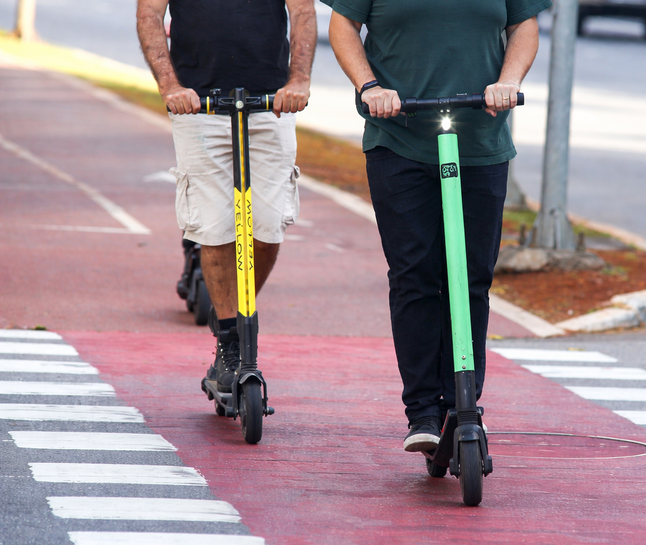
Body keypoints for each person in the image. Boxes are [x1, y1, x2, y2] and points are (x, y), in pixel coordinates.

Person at [324, 0, 550, 452]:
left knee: (471, 279)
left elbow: (523, 25)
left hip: (481, 138)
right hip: (399, 137)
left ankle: (463, 404)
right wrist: (369, 86)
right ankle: (424, 411)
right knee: (415, 275)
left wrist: (508, 80)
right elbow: (343, 25)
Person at [137, 0, 316, 392]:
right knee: (215, 227)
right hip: (198, 106)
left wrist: (299, 79)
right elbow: (149, 13)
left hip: (271, 105)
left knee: (269, 227)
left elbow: (302, 11)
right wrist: (170, 86)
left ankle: (230, 313)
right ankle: (231, 342)